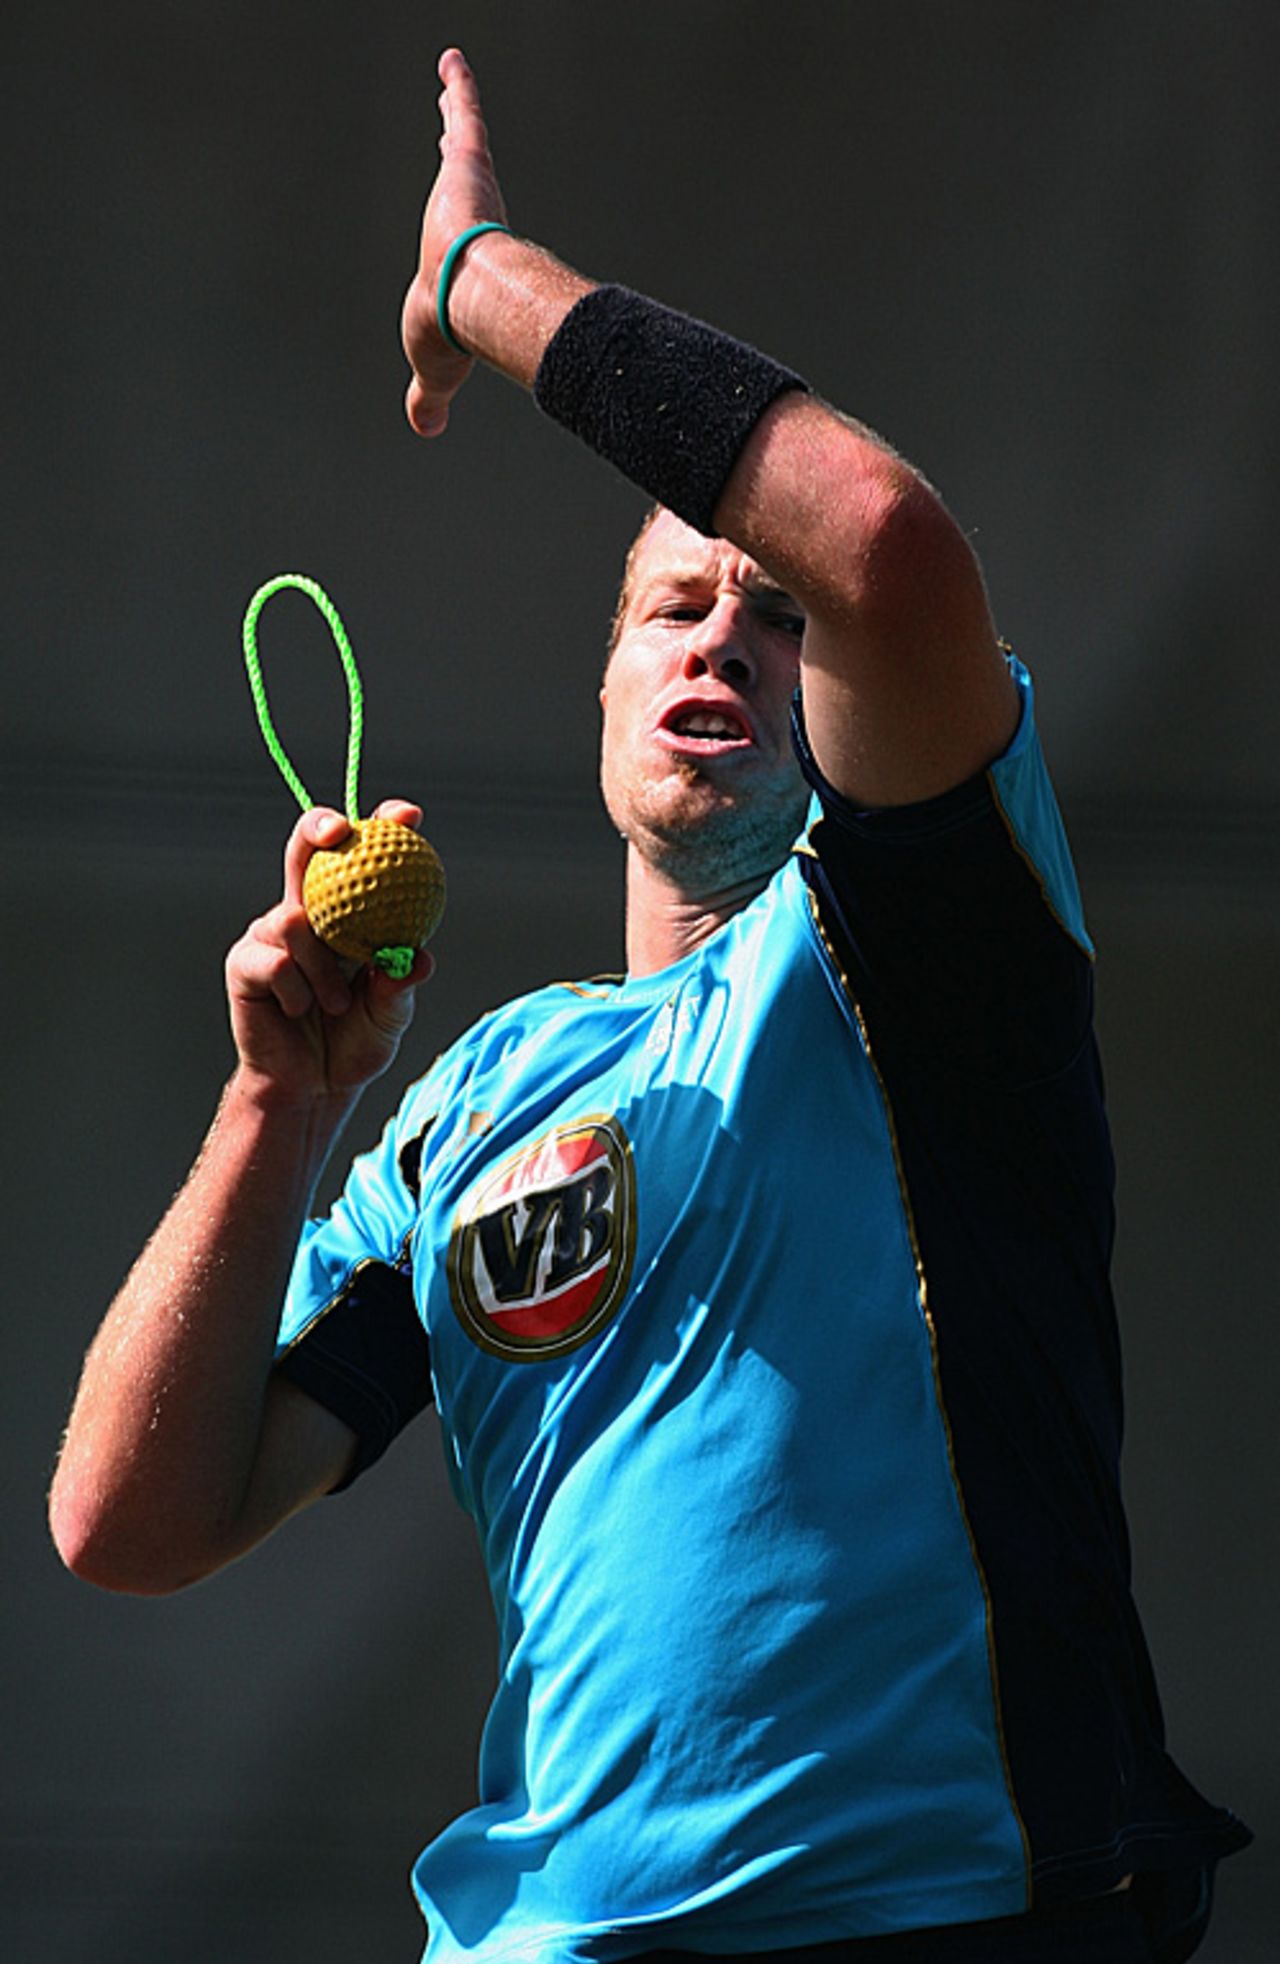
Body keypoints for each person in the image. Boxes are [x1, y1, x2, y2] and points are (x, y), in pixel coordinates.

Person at [50, 46, 1248, 1964]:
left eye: (773, 614)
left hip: (945, 1922)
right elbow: (129, 1522)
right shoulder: (470, 1104)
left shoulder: (924, 933)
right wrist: (278, 1103)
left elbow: (880, 538)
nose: (724, 634)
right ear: (602, 691)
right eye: (672, 608)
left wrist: (480, 283)